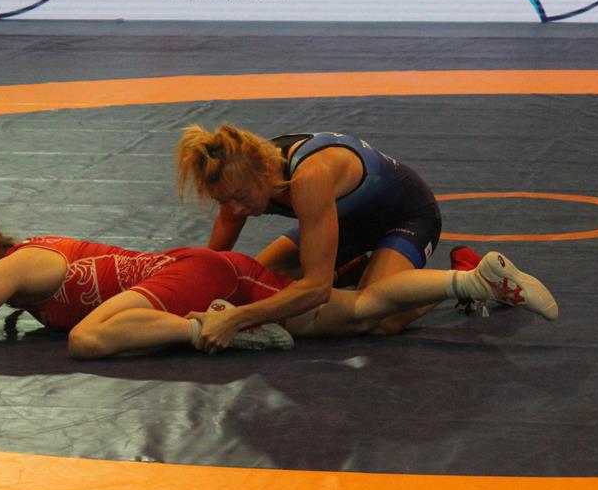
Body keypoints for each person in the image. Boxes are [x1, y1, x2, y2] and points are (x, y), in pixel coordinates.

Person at [0, 216, 558, 358]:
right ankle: (472, 280)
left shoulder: (13, 267)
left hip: (187, 280)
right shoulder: (21, 271)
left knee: (87, 339)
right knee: (363, 315)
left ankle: (218, 329)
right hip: (208, 273)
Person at [175, 124, 484, 348]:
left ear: (266, 170)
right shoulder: (238, 176)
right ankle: (351, 268)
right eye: (223, 201)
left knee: (378, 319)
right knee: (258, 284)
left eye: (240, 198)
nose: (234, 210)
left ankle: (467, 275)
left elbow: (317, 290)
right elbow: (213, 266)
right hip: (344, 221)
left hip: (406, 216)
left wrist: (235, 319)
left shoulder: (308, 177)